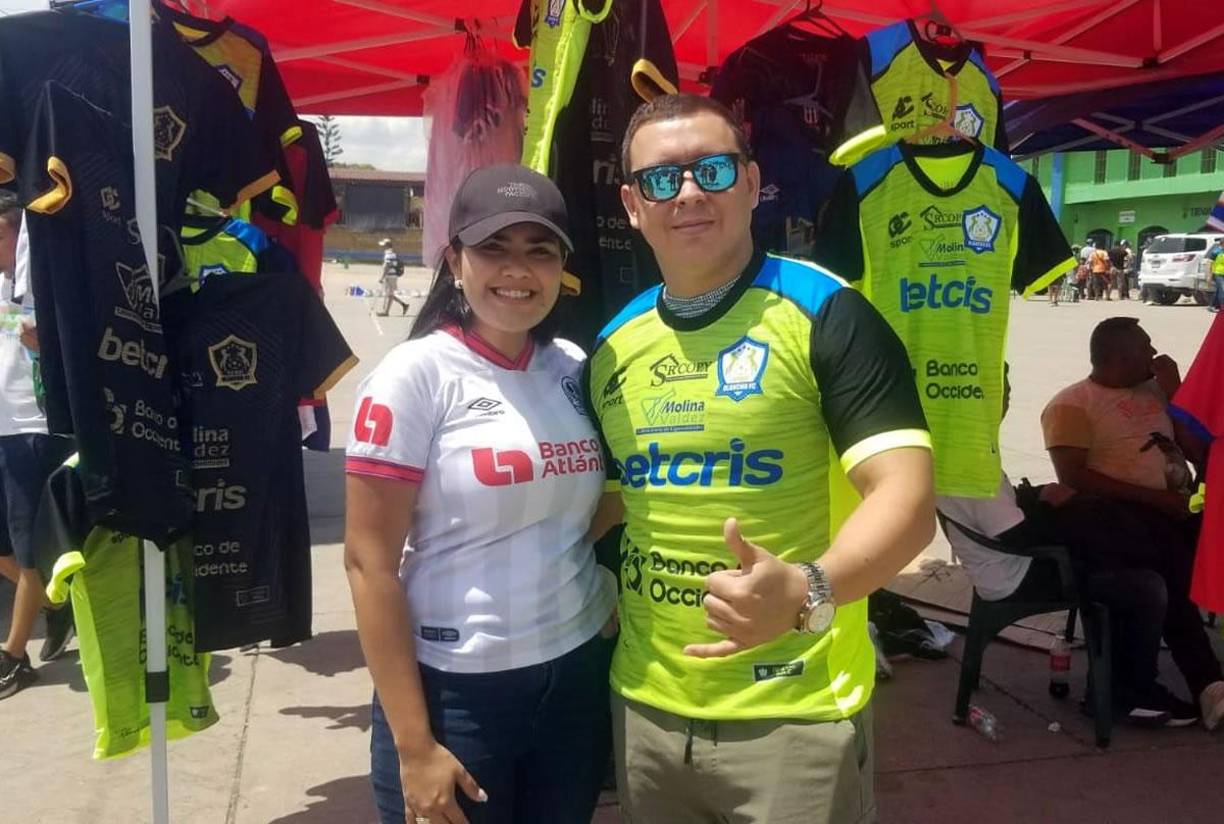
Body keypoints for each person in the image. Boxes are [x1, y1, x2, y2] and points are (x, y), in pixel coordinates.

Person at [589, 93, 935, 823]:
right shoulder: (613, 346)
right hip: (647, 709)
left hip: (795, 713)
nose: (688, 193)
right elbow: (614, 501)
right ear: (632, 205)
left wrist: (809, 588)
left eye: (712, 170)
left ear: (750, 183)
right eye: (661, 179)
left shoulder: (828, 312)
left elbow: (906, 502)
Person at [344, 165, 619, 824]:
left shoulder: (574, 368)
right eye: (494, 248)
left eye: (540, 251)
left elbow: (596, 505)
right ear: (454, 261)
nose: (517, 269)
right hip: (457, 694)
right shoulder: (414, 376)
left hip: (575, 679)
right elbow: (368, 564)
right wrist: (415, 746)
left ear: (562, 267)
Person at [939, 366, 1196, 726]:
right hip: (1017, 572)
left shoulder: (958, 444)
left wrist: (1040, 495)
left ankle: (1118, 684)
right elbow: (1014, 533)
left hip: (1005, 560)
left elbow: (994, 509)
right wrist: (1054, 509)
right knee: (1144, 582)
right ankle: (1131, 693)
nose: (1008, 396)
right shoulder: (972, 458)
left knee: (1123, 545)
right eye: (1002, 387)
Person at [1041, 317, 1224, 730]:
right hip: (1118, 520)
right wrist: (1156, 499)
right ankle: (1208, 682)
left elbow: (1199, 452)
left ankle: (1208, 684)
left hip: (1173, 512)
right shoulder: (1073, 403)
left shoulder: (1156, 392)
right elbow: (1074, 477)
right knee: (1172, 564)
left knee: (1196, 546)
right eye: (1146, 347)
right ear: (1121, 357)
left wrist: (1177, 393)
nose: (1155, 353)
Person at [0, 198, 77, 699]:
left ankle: (13, 656)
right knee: (10, 547)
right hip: (2, 427)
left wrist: (43, 343)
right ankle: (56, 604)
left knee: (28, 546)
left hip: (33, 426)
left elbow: (72, 348)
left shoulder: (43, 288)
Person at [376, 237, 409, 317]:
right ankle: (403, 305)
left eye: (383, 245)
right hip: (391, 276)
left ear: (386, 246)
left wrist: (382, 277)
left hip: (390, 276)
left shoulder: (389, 254)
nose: (382, 247)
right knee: (389, 294)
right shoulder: (391, 253)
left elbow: (387, 266)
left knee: (389, 294)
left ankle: (386, 312)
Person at [1207, 238, 1224, 313]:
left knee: (1218, 290)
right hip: (1217, 273)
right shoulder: (1215, 252)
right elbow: (1209, 264)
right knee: (1222, 290)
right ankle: (1222, 307)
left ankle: (1211, 306)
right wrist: (1209, 275)